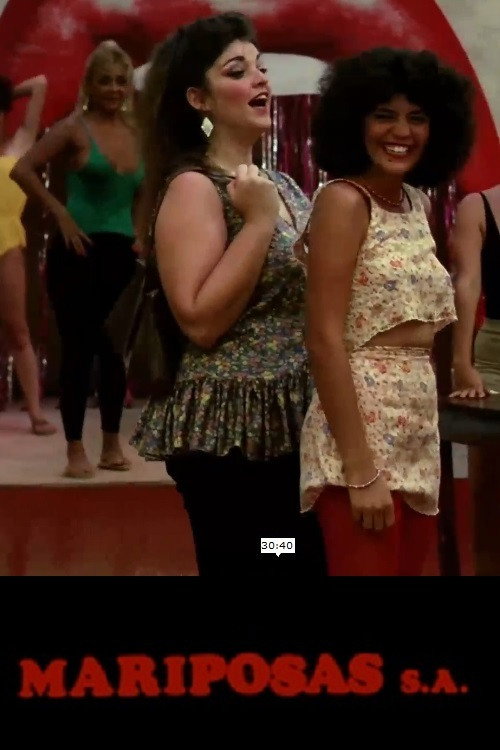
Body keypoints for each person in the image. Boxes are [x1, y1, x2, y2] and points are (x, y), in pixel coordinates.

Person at [131, 12, 326, 576]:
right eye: (237, 71)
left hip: (290, 421)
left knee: (299, 556)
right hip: (231, 431)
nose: (261, 78)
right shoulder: (194, 187)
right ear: (199, 99)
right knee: (265, 555)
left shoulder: (281, 185)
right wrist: (259, 223)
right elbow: (199, 321)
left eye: (261, 67)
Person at [300, 47, 474, 576]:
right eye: (384, 115)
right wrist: (360, 470)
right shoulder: (342, 201)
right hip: (360, 432)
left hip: (417, 427)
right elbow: (323, 338)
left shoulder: (416, 203)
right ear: (355, 121)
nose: (402, 131)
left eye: (417, 117)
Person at [11, 41, 145, 478]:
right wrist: (60, 212)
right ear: (90, 84)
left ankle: (111, 444)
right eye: (105, 81)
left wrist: (140, 234)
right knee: (79, 351)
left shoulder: (139, 133)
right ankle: (74, 450)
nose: (114, 89)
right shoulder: (73, 128)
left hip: (122, 256)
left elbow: (146, 191)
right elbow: (22, 168)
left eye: (121, 81)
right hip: (77, 251)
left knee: (114, 353)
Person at [0, 73, 56, 435]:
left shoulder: (19, 144)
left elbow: (40, 84)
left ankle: (35, 412)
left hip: (7, 239)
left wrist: (6, 93)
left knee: (18, 328)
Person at [450, 184, 500, 575]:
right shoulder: (477, 206)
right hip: (495, 355)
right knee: (490, 494)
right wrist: (461, 362)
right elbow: (467, 283)